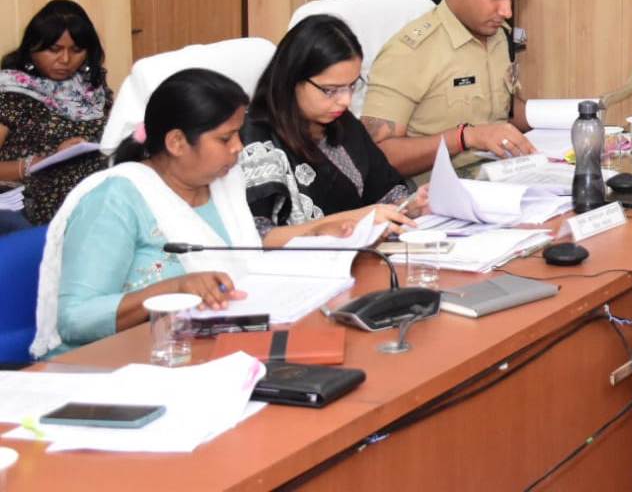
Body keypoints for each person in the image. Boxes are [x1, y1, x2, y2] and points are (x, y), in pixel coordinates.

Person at [32, 69, 393, 357]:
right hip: (120, 363)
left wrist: (315, 235)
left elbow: (245, 262)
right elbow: (75, 319)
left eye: (239, 134)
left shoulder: (223, 182)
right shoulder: (115, 200)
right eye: (225, 138)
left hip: (213, 349)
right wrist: (173, 289)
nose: (239, 147)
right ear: (176, 142)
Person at [362, 0, 537, 176]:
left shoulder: (498, 36)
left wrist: (570, 115)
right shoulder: (411, 52)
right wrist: (465, 138)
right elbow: (376, 157)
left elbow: (505, 110)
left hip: (499, 175)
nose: (506, 11)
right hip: (435, 188)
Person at [240, 14, 427, 232]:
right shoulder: (257, 141)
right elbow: (259, 236)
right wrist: (358, 218)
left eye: (352, 86)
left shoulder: (342, 122)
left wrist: (411, 206)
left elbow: (385, 193)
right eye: (330, 90)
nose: (345, 100)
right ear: (292, 78)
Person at [0, 0, 114, 229]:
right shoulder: (11, 91)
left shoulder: (92, 89)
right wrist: (39, 162)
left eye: (77, 50)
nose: (65, 60)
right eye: (54, 50)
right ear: (32, 47)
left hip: (96, 196)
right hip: (32, 203)